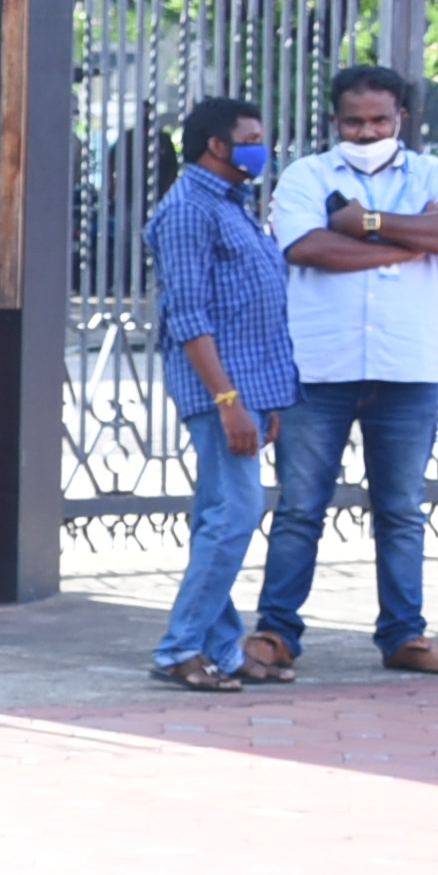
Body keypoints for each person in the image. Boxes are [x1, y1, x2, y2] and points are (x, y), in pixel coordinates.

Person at [246, 64, 438, 681]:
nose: (367, 131)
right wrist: (415, 241)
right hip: (319, 369)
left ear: (401, 117)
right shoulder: (307, 176)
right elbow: (307, 248)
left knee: (401, 510)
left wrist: (370, 223)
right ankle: (277, 632)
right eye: (354, 121)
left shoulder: (436, 173)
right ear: (335, 120)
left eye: (379, 119)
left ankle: (404, 634)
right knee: (300, 508)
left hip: (407, 369)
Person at [143, 95, 290, 693]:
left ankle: (222, 648)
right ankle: (178, 647)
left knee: (217, 516)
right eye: (250, 139)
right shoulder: (188, 211)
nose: (261, 149)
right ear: (216, 146)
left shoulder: (232, 204)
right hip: (219, 392)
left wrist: (264, 398)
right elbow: (188, 316)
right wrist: (228, 402)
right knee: (235, 515)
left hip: (246, 389)